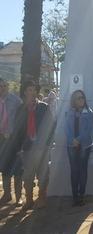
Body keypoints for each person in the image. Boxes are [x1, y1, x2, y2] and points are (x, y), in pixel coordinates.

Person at [13, 80, 54, 210]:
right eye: (29, 90)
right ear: (25, 93)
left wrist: (48, 144)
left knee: (43, 174)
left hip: (42, 146)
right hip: (27, 148)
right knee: (28, 175)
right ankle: (29, 199)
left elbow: (51, 126)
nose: (32, 93)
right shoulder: (20, 110)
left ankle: (42, 197)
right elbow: (17, 130)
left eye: (34, 90)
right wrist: (19, 147)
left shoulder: (44, 107)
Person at [65, 90, 93, 207]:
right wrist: (72, 139)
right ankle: (74, 196)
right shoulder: (69, 112)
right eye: (78, 98)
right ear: (74, 100)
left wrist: (79, 139)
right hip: (72, 145)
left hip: (84, 145)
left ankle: (82, 194)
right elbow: (66, 128)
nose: (81, 100)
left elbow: (89, 129)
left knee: (82, 170)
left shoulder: (89, 112)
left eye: (82, 97)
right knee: (74, 170)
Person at [0, 78, 23, 206]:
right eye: (0, 86)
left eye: (5, 85)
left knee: (17, 168)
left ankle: (19, 196)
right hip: (1, 139)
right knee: (4, 168)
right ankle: (7, 194)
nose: (3, 88)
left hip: (14, 139)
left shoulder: (16, 100)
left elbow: (22, 119)